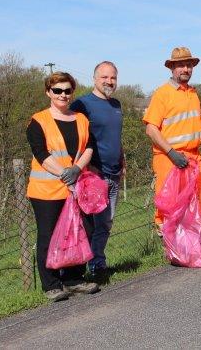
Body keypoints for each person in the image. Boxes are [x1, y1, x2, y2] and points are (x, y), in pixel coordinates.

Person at [143, 47, 201, 254]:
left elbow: (200, 123)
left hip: (193, 156)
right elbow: (151, 129)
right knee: (171, 204)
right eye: (181, 65)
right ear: (172, 67)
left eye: (189, 65)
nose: (186, 69)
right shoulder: (162, 94)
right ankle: (173, 248)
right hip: (168, 158)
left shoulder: (192, 92)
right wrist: (172, 153)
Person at [26, 72, 100, 301]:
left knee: (82, 232)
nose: (63, 95)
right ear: (48, 92)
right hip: (47, 191)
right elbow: (41, 153)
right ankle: (51, 284)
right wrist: (65, 174)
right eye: (57, 90)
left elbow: (89, 147)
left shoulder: (81, 119)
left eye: (67, 90)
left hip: (78, 188)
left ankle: (74, 278)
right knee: (48, 235)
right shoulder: (38, 121)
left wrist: (77, 170)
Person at [70, 61, 123, 279]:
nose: (109, 81)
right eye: (104, 77)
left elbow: (116, 137)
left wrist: (122, 158)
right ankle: (87, 267)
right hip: (94, 175)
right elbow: (75, 138)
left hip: (114, 173)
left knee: (106, 222)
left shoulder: (117, 104)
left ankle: (98, 263)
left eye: (113, 78)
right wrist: (86, 166)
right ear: (94, 79)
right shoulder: (82, 104)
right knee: (91, 224)